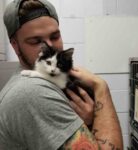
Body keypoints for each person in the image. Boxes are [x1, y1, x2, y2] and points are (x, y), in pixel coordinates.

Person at [0, 0, 123, 149]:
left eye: (55, 36)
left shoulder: (43, 81)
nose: (50, 46)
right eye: (36, 41)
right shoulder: (33, 92)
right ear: (15, 46)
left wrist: (88, 122)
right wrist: (101, 87)